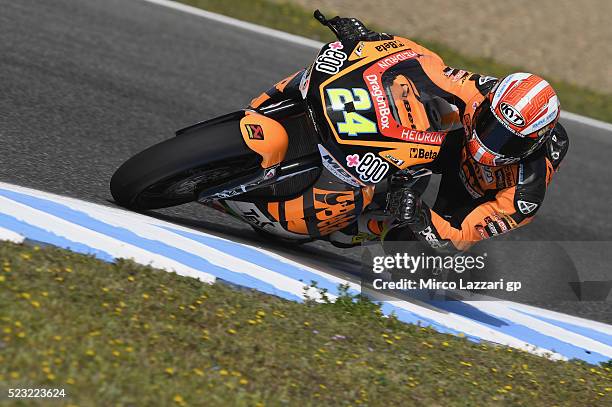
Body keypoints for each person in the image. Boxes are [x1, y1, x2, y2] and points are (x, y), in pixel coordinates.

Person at [324, 15, 570, 252]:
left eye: (510, 143)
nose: (489, 144)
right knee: (420, 101)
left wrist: (419, 213)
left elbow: (460, 238)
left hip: (474, 193)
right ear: (488, 103)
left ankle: (378, 224)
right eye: (490, 125)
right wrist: (370, 40)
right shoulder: (480, 90)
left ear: (533, 146)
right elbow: (425, 63)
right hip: (457, 142)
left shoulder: (524, 195)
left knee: (407, 253)